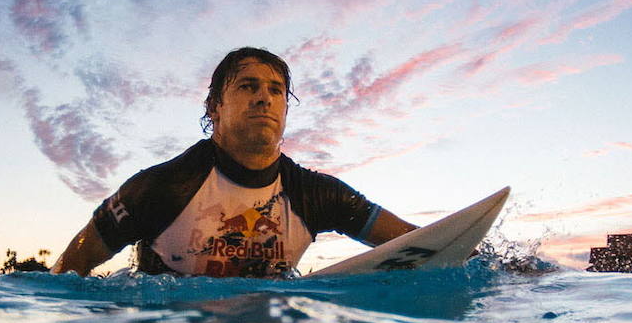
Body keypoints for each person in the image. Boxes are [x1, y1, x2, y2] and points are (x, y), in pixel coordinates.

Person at [53, 47, 416, 277]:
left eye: (276, 91)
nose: (264, 98)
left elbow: (422, 246)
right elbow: (71, 269)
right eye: (248, 86)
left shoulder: (319, 196)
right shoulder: (160, 187)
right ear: (215, 107)